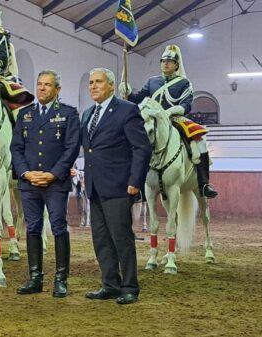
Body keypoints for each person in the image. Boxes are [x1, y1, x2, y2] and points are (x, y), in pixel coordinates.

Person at [82, 68, 152, 305]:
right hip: (94, 186)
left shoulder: (127, 110)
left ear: (111, 85)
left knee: (122, 239)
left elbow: (141, 148)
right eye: (91, 82)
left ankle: (130, 286)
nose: (93, 86)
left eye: (98, 82)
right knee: (101, 239)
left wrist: (135, 181)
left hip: (119, 187)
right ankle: (110, 284)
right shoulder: (88, 113)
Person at [11, 70, 80, 297]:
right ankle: (35, 278)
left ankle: (61, 279)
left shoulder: (69, 114)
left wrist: (53, 174)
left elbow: (71, 148)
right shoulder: (25, 114)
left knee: (59, 227)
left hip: (56, 183)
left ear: (57, 90)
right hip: (29, 183)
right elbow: (16, 148)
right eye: (39, 84)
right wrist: (25, 173)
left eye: (47, 85)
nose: (41, 88)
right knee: (32, 228)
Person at [120, 44, 217, 198]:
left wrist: (171, 111)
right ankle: (135, 181)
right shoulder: (152, 82)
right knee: (133, 140)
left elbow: (186, 104)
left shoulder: (184, 83)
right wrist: (128, 92)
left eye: (170, 61)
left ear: (176, 65)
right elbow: (138, 99)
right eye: (163, 61)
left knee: (200, 142)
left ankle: (204, 184)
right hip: (153, 119)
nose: (165, 63)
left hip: (175, 118)